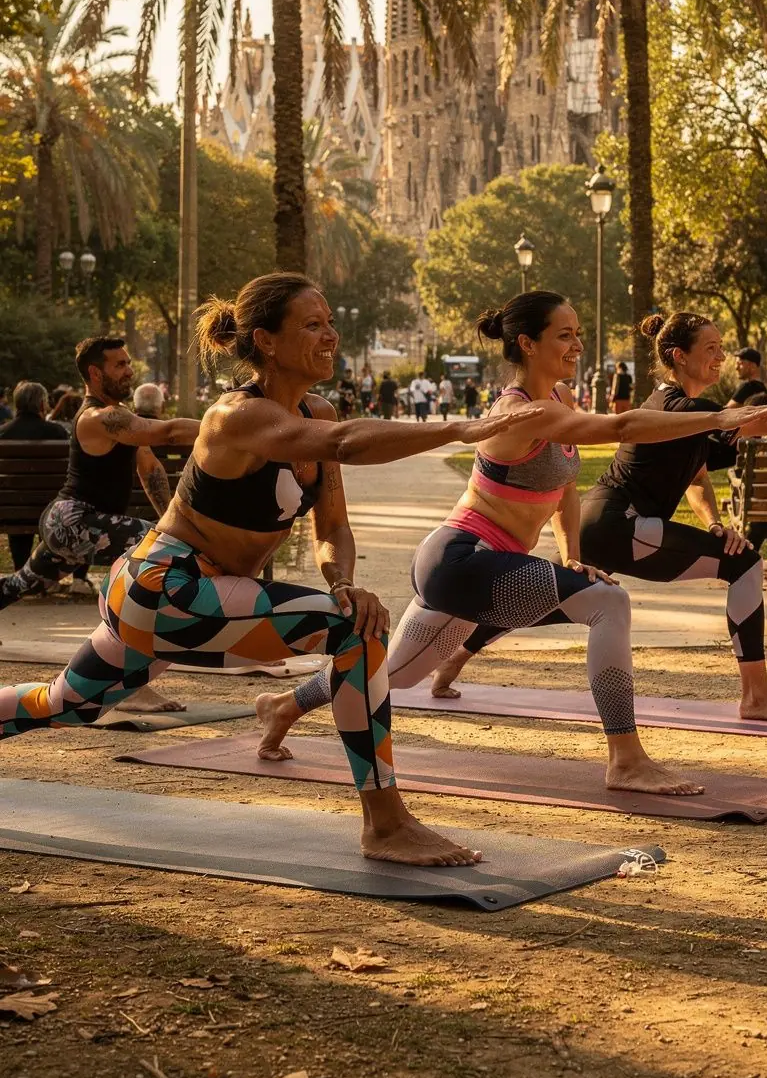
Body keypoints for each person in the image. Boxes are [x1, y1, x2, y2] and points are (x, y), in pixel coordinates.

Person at [0, 274, 543, 865]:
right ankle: (385, 824)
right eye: (313, 325)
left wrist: (343, 584)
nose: (331, 335)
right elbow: (344, 442)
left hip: (195, 599)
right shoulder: (236, 416)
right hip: (163, 587)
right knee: (354, 635)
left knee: (67, 705)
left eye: (330, 321)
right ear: (265, 340)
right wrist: (462, 429)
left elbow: (332, 526)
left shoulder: (317, 411)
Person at [269, 291, 767, 795]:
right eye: (565, 335)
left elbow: (565, 490)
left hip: (485, 566)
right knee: (608, 603)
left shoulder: (559, 399)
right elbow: (621, 425)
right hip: (460, 557)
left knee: (395, 674)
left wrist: (573, 555)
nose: (578, 344)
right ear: (529, 344)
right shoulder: (520, 412)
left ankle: (285, 705)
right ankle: (626, 758)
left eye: (578, 333)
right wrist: (717, 418)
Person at [580, 311, 767, 725]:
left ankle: (458, 657)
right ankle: (757, 696)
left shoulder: (680, 412)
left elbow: (696, 478)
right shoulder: (680, 407)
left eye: (722, 348)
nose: (720, 356)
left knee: (558, 595)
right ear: (679, 356)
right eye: (711, 348)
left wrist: (712, 523)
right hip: (622, 521)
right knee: (744, 565)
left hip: (603, 522)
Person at [0, 336, 199, 613]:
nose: (129, 371)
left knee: (19, 584)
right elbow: (167, 433)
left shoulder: (119, 415)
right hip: (73, 522)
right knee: (166, 548)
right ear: (95, 373)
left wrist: (170, 519)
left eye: (128, 363)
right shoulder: (97, 418)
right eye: (120, 365)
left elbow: (149, 467)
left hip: (76, 525)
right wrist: (225, 427)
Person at [0, 382, 70, 573]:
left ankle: (20, 569)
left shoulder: (3, 433)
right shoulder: (57, 432)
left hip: (12, 509)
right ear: (41, 405)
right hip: (51, 510)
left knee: (19, 501)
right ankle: (45, 574)